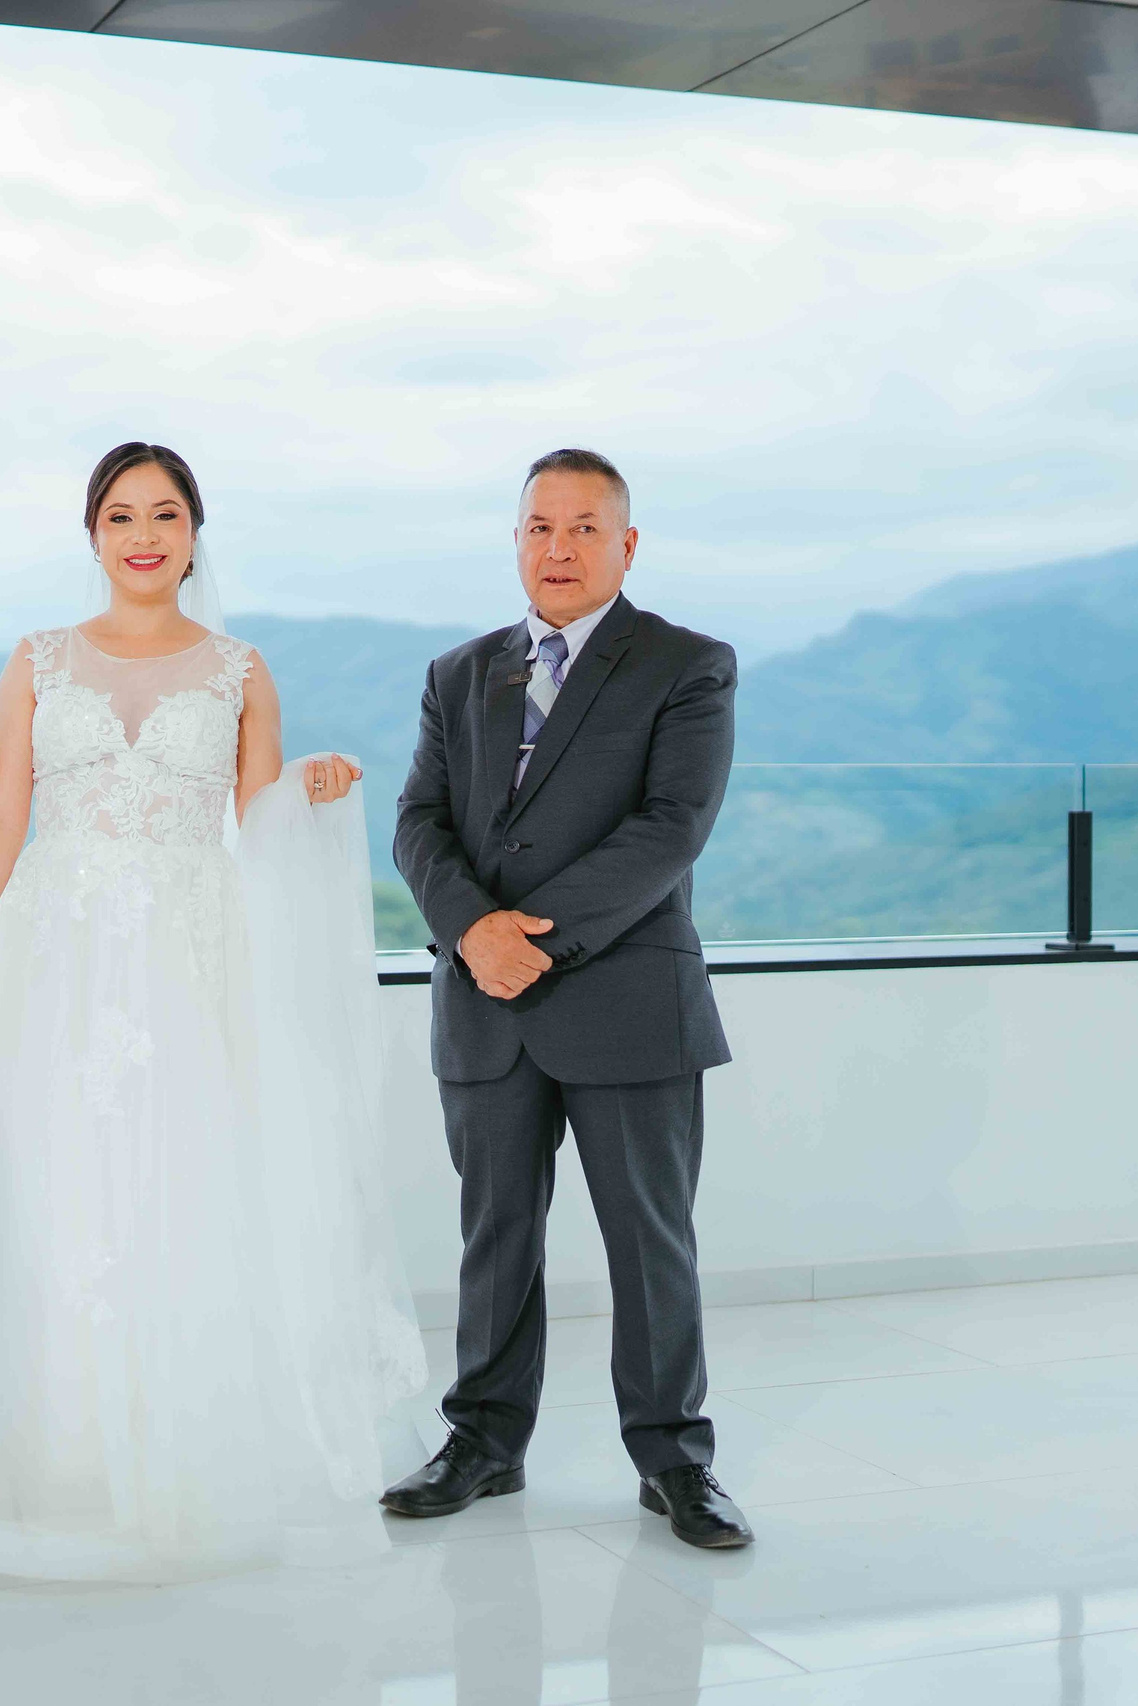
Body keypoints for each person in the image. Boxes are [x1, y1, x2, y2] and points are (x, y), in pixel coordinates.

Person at [0, 442, 423, 1579]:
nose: (143, 533)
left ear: (195, 531)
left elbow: (252, 822)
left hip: (191, 956)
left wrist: (306, 785)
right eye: (120, 514)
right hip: (54, 950)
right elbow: (3, 809)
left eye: (164, 513)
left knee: (178, 1181)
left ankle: (171, 1443)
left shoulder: (240, 668)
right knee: (54, 1185)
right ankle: (57, 1446)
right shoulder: (39, 661)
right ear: (93, 534)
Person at [383, 447, 753, 1549]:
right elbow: (417, 821)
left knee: (650, 1237)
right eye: (539, 527)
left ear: (625, 544)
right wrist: (469, 930)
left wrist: (523, 938)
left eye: (584, 528)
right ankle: (483, 1442)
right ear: (515, 540)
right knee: (494, 1233)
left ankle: (676, 1462)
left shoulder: (688, 664)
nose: (558, 547)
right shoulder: (459, 673)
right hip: (482, 1001)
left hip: (623, 996)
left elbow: (670, 827)